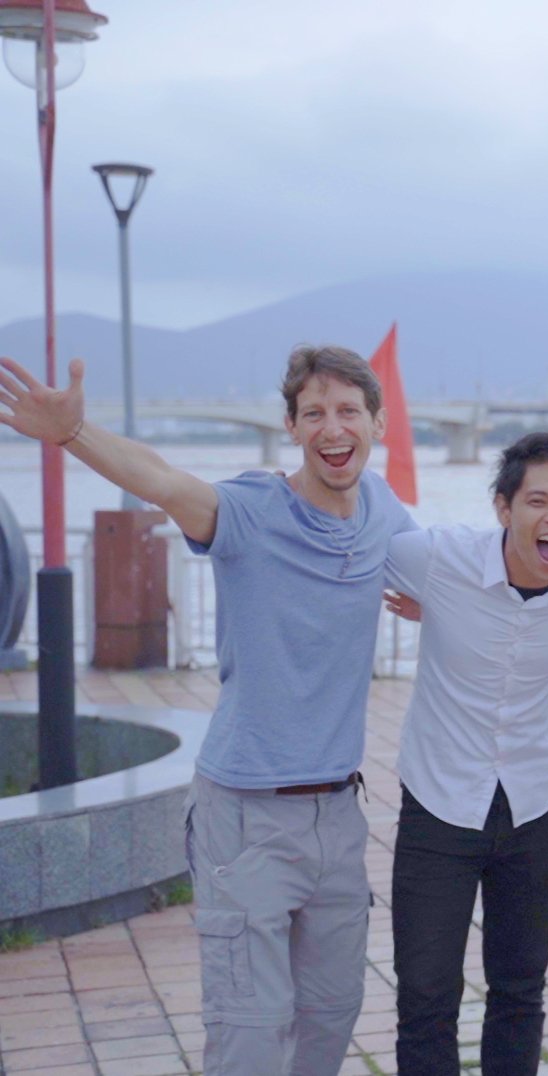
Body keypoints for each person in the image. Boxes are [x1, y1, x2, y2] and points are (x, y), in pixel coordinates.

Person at [0, 348, 414, 1075]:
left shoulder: (386, 511)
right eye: (314, 413)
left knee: (329, 1017)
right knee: (249, 1033)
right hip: (246, 814)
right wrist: (73, 434)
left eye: (349, 410)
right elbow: (159, 478)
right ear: (291, 426)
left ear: (377, 423)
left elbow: (462, 573)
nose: (333, 427)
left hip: (339, 816)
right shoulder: (250, 513)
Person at [382, 432, 548, 1075]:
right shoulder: (437, 558)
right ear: (503, 507)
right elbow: (343, 538)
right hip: (438, 804)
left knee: (520, 993)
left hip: (532, 805)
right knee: (426, 997)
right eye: (538, 501)